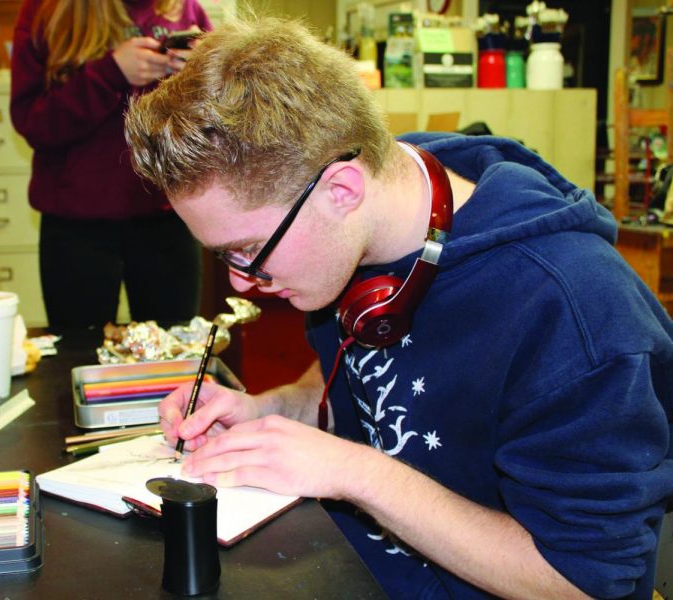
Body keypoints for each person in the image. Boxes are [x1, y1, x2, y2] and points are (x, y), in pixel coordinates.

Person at [124, 16, 673, 600]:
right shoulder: (362, 231)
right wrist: (271, 410)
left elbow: (584, 582)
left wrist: (355, 473)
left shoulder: (573, 311)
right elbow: (358, 377)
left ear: (341, 191)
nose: (242, 284)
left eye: (250, 250)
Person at [10, 0, 211, 331]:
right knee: (78, 354)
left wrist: (200, 75)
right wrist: (110, 74)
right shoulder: (46, 11)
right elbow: (34, 123)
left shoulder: (188, 10)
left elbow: (219, 118)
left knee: (175, 355)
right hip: (76, 226)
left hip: (169, 219)